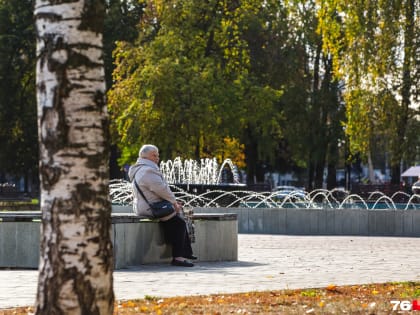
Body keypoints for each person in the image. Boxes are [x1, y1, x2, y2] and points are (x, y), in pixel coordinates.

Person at [128, 144, 196, 267]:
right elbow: (162, 189)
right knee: (179, 223)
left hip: (146, 206)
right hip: (152, 208)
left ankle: (186, 252)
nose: (157, 157)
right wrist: (174, 203)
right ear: (145, 156)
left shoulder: (140, 168)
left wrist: (172, 202)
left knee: (173, 221)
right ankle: (178, 257)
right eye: (154, 155)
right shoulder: (147, 170)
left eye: (158, 155)